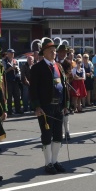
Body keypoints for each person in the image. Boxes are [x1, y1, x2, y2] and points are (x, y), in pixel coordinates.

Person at [30, 39, 68, 174]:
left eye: (54, 50)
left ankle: (55, 161)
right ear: (44, 52)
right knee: (47, 135)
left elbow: (63, 87)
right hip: (45, 107)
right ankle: (48, 163)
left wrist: (65, 105)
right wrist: (37, 107)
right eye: (51, 50)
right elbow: (33, 89)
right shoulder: (37, 68)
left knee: (58, 135)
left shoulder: (59, 66)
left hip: (58, 106)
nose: (54, 52)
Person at [2, 49, 22, 115]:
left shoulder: (15, 61)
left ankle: (18, 110)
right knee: (9, 96)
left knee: (17, 95)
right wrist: (10, 68)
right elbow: (3, 71)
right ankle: (9, 111)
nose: (12, 54)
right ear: (8, 54)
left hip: (15, 80)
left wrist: (17, 70)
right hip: (8, 81)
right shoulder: (4, 61)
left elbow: (18, 71)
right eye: (11, 53)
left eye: (13, 53)